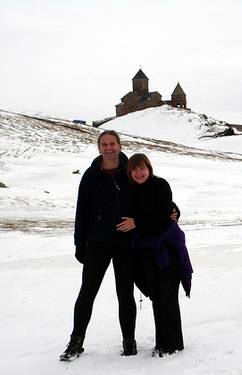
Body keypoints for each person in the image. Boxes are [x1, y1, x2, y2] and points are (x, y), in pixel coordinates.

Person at [60, 130, 138, 361]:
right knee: (87, 293)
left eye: (112, 143)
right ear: (99, 148)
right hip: (97, 243)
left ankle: (129, 341)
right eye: (104, 144)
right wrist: (79, 244)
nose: (108, 148)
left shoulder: (131, 170)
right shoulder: (91, 175)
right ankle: (76, 341)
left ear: (120, 145)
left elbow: (150, 195)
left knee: (125, 294)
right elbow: (81, 212)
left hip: (125, 244)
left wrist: (171, 210)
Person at [117, 153, 193, 357]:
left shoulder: (160, 185)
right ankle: (162, 342)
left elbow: (163, 214)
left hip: (166, 247)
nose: (138, 172)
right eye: (134, 169)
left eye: (142, 168)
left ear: (149, 168)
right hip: (147, 249)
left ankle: (173, 344)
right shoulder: (133, 191)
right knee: (157, 296)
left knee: (167, 295)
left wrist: (137, 222)